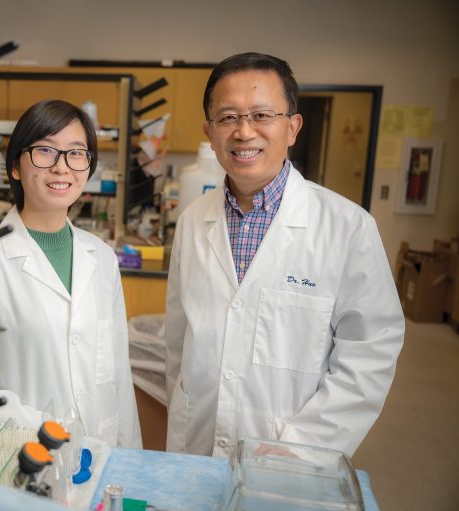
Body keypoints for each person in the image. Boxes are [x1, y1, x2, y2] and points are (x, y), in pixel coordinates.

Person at [165, 52, 404, 458]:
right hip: (195, 445)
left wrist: (302, 446)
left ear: (292, 127)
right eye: (228, 117)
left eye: (262, 115)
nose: (244, 132)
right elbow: (177, 341)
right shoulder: (192, 221)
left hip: (291, 458)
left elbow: (370, 353)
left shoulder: (348, 228)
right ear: (210, 131)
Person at [0, 99, 142, 448]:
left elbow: (118, 377)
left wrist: (130, 467)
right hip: (21, 460)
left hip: (102, 459)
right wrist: (51, 433)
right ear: (16, 167)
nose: (62, 167)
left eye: (76, 153)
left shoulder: (100, 257)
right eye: (45, 151)